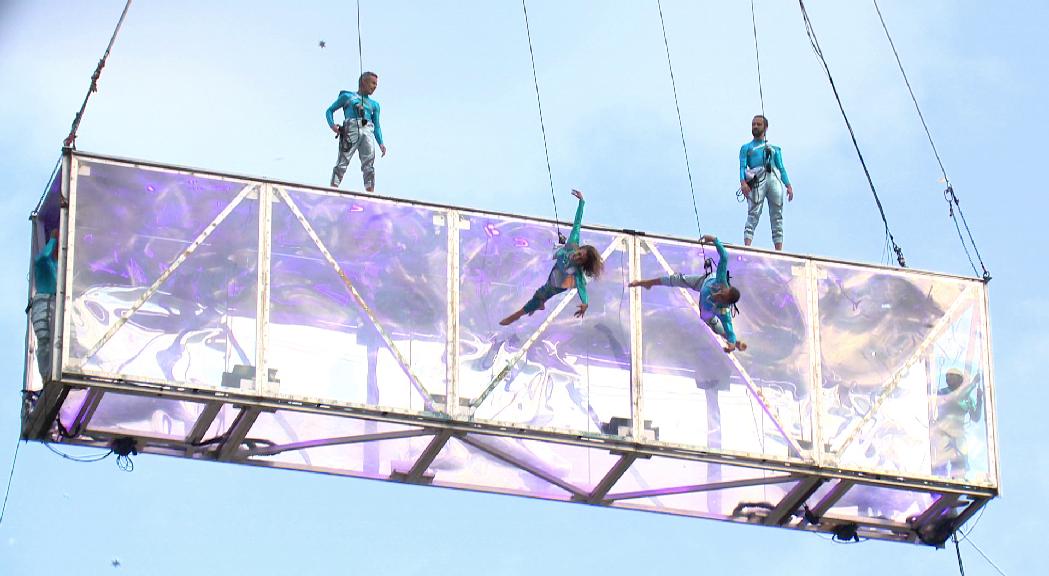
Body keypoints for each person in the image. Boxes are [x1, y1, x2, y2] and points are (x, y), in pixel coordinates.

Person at [499, 189, 603, 326]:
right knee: (541, 292)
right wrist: (581, 202)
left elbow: (582, 289)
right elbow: (577, 223)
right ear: (580, 248)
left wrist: (585, 303)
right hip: (556, 273)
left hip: (557, 285)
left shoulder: (577, 273)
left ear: (582, 264)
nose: (576, 257)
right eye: (579, 253)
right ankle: (538, 304)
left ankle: (517, 315)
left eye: (580, 259)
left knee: (541, 294)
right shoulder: (573, 243)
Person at [629, 234, 747, 353]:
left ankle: (735, 343)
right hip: (704, 283)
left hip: (706, 310)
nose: (718, 294)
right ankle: (647, 283)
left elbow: (729, 329)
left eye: (721, 297)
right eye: (722, 291)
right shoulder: (721, 280)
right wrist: (714, 240)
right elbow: (724, 257)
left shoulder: (723, 312)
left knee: (716, 326)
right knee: (678, 279)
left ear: (724, 302)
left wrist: (731, 343)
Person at [740, 115, 793, 251]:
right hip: (758, 179)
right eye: (753, 124)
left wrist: (788, 185)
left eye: (758, 124)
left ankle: (779, 250)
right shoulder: (746, 148)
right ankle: (747, 246)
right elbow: (742, 166)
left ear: (766, 128)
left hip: (773, 178)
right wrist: (743, 183)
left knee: (777, 214)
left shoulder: (774, 149)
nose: (755, 127)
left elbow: (781, 167)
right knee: (753, 212)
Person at [327, 71, 387, 191]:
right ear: (363, 82)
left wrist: (381, 142)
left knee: (369, 164)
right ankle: (333, 188)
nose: (374, 86)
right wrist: (333, 126)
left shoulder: (375, 105)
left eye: (376, 84)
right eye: (372, 83)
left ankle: (370, 192)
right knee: (343, 161)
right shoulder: (347, 97)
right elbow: (329, 110)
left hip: (368, 130)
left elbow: (377, 125)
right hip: (351, 128)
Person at [31, 229, 58, 381]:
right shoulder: (43, 261)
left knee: (55, 340)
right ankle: (45, 376)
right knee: (44, 340)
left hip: (54, 303)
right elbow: (41, 258)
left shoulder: (58, 264)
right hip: (42, 303)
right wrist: (53, 239)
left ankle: (52, 373)